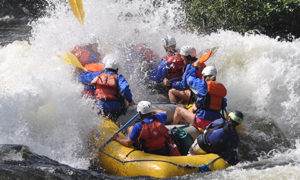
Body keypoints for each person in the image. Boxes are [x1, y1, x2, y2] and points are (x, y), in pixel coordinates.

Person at [113, 101, 180, 156]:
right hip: (164, 151)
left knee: (130, 128)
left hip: (148, 153)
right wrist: (152, 110)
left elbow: (128, 143)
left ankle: (134, 148)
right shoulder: (159, 117)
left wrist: (117, 138)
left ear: (140, 113)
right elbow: (164, 112)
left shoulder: (138, 126)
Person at [172, 66, 227, 131]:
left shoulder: (202, 84)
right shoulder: (220, 89)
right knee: (196, 105)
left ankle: (172, 128)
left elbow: (189, 79)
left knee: (178, 110)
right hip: (215, 123)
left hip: (201, 121)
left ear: (203, 76)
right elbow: (223, 105)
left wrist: (194, 67)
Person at [88, 54, 135, 119]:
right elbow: (125, 89)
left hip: (99, 106)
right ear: (117, 69)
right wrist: (130, 101)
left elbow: (83, 77)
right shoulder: (118, 77)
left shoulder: (98, 75)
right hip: (114, 108)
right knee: (124, 100)